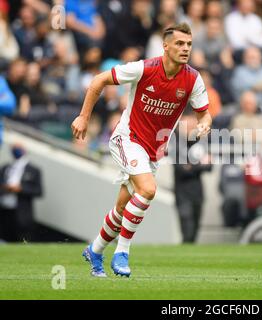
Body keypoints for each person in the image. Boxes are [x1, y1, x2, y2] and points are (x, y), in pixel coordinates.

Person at [71, 23, 212, 277]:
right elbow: (99, 80)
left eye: (189, 44)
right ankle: (122, 253)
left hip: (153, 152)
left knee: (122, 209)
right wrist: (83, 117)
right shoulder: (144, 68)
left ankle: (95, 250)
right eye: (180, 44)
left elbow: (205, 114)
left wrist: (204, 124)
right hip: (127, 139)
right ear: (165, 46)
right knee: (148, 189)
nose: (185, 49)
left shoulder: (192, 78)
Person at [173, 114, 212, 243]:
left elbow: (209, 166)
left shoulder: (200, 143)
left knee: (195, 227)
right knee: (187, 227)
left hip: (198, 192)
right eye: (187, 126)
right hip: (182, 193)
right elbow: (182, 169)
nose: (190, 129)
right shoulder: (176, 145)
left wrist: (192, 165)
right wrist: (199, 164)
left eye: (192, 126)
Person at [0, 143, 43, 242]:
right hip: (4, 210)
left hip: (22, 212)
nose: (15, 150)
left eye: (18, 148)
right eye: (13, 148)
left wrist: (21, 189)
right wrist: (6, 188)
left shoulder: (33, 170)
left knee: (22, 240)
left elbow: (38, 191)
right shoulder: (5, 168)